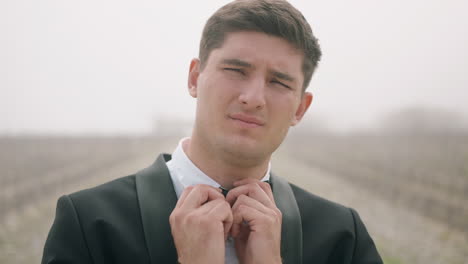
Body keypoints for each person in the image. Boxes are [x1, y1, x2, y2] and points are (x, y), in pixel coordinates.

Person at [42, 0, 383, 263]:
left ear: (300, 108)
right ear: (194, 78)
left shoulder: (343, 237)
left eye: (278, 82)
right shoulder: (88, 224)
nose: (253, 98)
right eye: (236, 70)